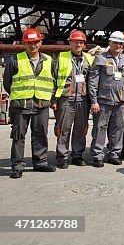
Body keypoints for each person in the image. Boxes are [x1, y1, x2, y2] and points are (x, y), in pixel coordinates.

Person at [5, 28, 57, 178]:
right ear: (24, 44)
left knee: (41, 134)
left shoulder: (48, 61)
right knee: (18, 136)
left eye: (35, 42)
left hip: (41, 104)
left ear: (40, 43)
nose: (32, 46)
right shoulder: (15, 60)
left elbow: (53, 82)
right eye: (29, 43)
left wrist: (51, 99)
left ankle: (40, 163)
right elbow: (8, 83)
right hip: (21, 105)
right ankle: (17, 166)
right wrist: (19, 95)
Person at [88, 31, 124, 167]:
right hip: (103, 100)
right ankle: (98, 155)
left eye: (120, 43)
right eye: (115, 43)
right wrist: (94, 101)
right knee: (100, 128)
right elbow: (93, 81)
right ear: (109, 43)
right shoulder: (100, 59)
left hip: (120, 101)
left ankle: (114, 154)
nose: (118, 45)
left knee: (118, 129)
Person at [53, 30, 94, 168]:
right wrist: (53, 100)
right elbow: (53, 79)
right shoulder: (61, 57)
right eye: (76, 41)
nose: (78, 44)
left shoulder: (89, 58)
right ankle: (62, 157)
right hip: (66, 98)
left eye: (81, 42)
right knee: (63, 129)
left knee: (80, 129)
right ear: (70, 42)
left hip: (83, 99)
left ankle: (77, 155)